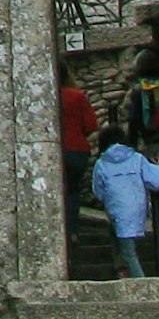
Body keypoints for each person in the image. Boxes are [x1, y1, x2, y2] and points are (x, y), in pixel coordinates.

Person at [90, 127, 159, 279]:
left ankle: (139, 282)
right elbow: (157, 180)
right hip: (137, 208)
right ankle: (121, 268)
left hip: (116, 209)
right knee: (121, 237)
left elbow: (98, 192)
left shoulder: (101, 164)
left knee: (128, 252)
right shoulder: (137, 158)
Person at [57, 74, 99, 229]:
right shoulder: (77, 96)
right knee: (73, 191)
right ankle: (73, 230)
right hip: (77, 151)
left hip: (55, 151)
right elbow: (91, 125)